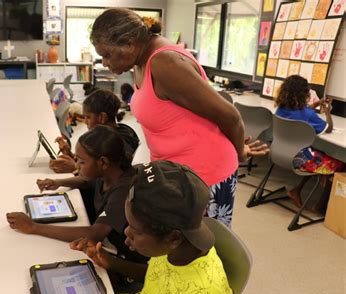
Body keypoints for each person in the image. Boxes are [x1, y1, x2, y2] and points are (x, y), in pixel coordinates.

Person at [89, 8, 268, 227]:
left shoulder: (164, 63)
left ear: (129, 42)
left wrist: (240, 152)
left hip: (204, 175)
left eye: (106, 55)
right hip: (176, 173)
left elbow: (230, 116)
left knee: (199, 252)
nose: (105, 63)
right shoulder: (139, 61)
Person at [71, 160, 233, 294]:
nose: (126, 232)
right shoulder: (181, 248)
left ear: (173, 238)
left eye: (136, 230)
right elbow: (157, 275)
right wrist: (112, 263)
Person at [7, 125, 143, 262]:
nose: (76, 165)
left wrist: (34, 227)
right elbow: (85, 181)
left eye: (81, 161)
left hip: (124, 256)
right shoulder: (109, 173)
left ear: (103, 162)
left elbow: (94, 234)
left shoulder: (123, 190)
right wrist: (58, 182)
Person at [275, 75, 344, 212]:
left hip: (280, 153)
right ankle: (320, 207)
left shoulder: (281, 109)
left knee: (318, 152)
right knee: (340, 162)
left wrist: (317, 104)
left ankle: (296, 190)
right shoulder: (307, 114)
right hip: (300, 160)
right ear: (304, 94)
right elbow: (328, 128)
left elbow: (303, 113)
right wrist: (327, 113)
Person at [50, 89, 139, 174]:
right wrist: (70, 154)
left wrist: (75, 168)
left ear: (102, 117)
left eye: (88, 117)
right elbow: (93, 164)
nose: (85, 122)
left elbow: (110, 176)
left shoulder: (117, 142)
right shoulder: (107, 135)